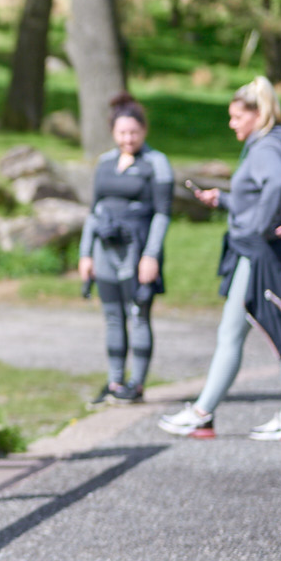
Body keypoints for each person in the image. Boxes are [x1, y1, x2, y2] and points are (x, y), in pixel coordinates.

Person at [158, 77, 281, 440]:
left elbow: (279, 187)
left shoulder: (266, 148)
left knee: (246, 333)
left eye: (236, 117)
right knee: (276, 332)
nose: (232, 123)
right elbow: (259, 195)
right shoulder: (267, 144)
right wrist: (223, 199)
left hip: (260, 254)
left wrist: (261, 227)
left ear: (257, 114)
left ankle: (205, 414)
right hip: (259, 251)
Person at [77, 93, 173, 405]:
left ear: (143, 131)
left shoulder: (156, 164)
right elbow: (94, 211)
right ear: (113, 132)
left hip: (137, 252)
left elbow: (162, 213)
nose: (127, 138)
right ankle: (115, 381)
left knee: (138, 314)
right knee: (112, 316)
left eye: (133, 132)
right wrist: (85, 253)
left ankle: (138, 383)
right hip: (106, 252)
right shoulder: (104, 164)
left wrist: (151, 255)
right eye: (121, 133)